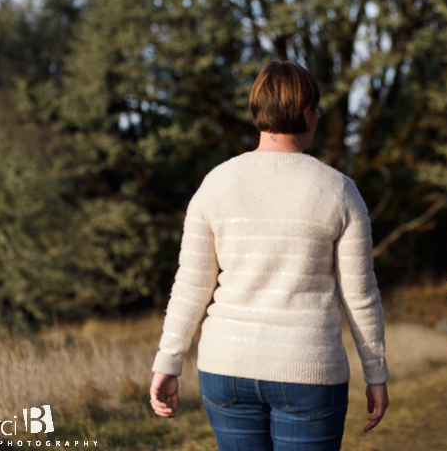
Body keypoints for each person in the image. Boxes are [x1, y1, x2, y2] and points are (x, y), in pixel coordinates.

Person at [149, 60, 389, 451]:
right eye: (318, 110)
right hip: (309, 370)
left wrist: (167, 361)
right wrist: (376, 373)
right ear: (307, 112)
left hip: (225, 366)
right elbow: (360, 295)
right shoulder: (339, 191)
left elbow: (191, 284)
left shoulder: (215, 184)